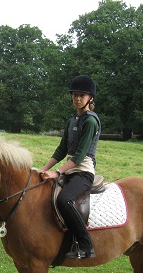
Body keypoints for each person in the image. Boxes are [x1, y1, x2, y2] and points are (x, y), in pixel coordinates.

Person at [39, 75, 101, 259]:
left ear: (90, 98)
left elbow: (80, 155)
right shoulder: (72, 120)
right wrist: (43, 170)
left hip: (83, 171)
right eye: (75, 95)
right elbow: (61, 150)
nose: (77, 98)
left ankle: (86, 245)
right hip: (70, 170)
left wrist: (57, 172)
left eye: (82, 95)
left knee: (64, 200)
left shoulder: (90, 121)